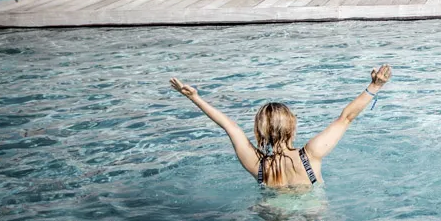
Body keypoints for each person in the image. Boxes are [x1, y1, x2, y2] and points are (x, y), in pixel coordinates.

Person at [167, 64, 392, 189]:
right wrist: (375, 86)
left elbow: (230, 127)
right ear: (292, 126)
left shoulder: (258, 166)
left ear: (259, 131)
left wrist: (195, 98)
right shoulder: (311, 155)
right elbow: (346, 118)